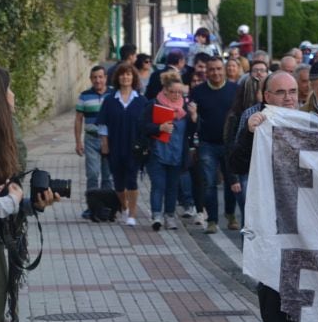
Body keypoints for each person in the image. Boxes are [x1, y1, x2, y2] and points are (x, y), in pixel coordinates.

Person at [229, 71, 316, 322]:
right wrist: (249, 134)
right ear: (266, 97)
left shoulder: (310, 122)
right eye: (280, 92)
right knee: (270, 284)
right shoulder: (257, 123)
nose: (288, 98)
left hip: (308, 221)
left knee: (305, 284)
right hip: (269, 217)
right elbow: (236, 163)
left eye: (292, 91)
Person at [0, 65, 59, 322]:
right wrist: (9, 203)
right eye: (8, 88)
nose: (13, 94)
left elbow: (8, 192)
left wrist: (30, 203)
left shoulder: (6, 135)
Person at [141, 71, 198, 231]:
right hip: (157, 154)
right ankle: (156, 215)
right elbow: (143, 127)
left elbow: (192, 131)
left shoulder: (184, 109)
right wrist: (159, 127)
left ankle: (170, 216)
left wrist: (194, 117)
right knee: (158, 185)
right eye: (173, 91)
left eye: (180, 92)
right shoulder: (154, 105)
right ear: (165, 90)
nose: (176, 95)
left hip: (177, 154)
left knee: (173, 186)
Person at [190, 56, 240, 234]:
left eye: (219, 68)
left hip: (230, 144)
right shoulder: (197, 91)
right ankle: (212, 220)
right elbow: (192, 121)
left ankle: (230, 214)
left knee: (231, 183)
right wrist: (193, 117)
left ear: (224, 69)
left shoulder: (235, 89)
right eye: (212, 69)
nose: (216, 72)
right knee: (209, 183)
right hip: (207, 143)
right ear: (206, 72)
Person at [97, 63, 147, 226]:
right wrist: (104, 144)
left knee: (131, 179)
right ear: (117, 78)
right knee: (118, 181)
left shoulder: (141, 101)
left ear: (133, 78)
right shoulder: (110, 100)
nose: (125, 77)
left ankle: (132, 214)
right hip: (115, 144)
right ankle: (124, 207)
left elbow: (147, 125)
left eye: (129, 74)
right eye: (122, 74)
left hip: (134, 147)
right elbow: (103, 124)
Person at [75, 66, 114, 219]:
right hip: (91, 139)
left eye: (100, 77)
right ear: (91, 79)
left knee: (107, 176)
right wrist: (78, 142)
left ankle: (107, 208)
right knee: (92, 174)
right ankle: (92, 207)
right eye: (94, 77)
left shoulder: (113, 94)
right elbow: (78, 119)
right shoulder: (84, 96)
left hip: (110, 140)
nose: (98, 80)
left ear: (105, 78)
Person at [224, 74, 262, 226]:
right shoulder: (240, 115)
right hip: (245, 172)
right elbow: (231, 146)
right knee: (248, 218)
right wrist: (233, 178)